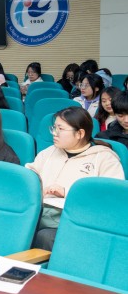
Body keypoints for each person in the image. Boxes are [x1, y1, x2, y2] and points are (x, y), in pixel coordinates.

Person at [27, 107, 124, 250]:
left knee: (43, 236)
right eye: (54, 128)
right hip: (39, 213)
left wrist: (66, 192)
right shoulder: (48, 153)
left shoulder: (105, 158)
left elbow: (111, 198)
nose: (54, 133)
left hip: (77, 220)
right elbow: (28, 178)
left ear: (80, 133)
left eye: (60, 129)